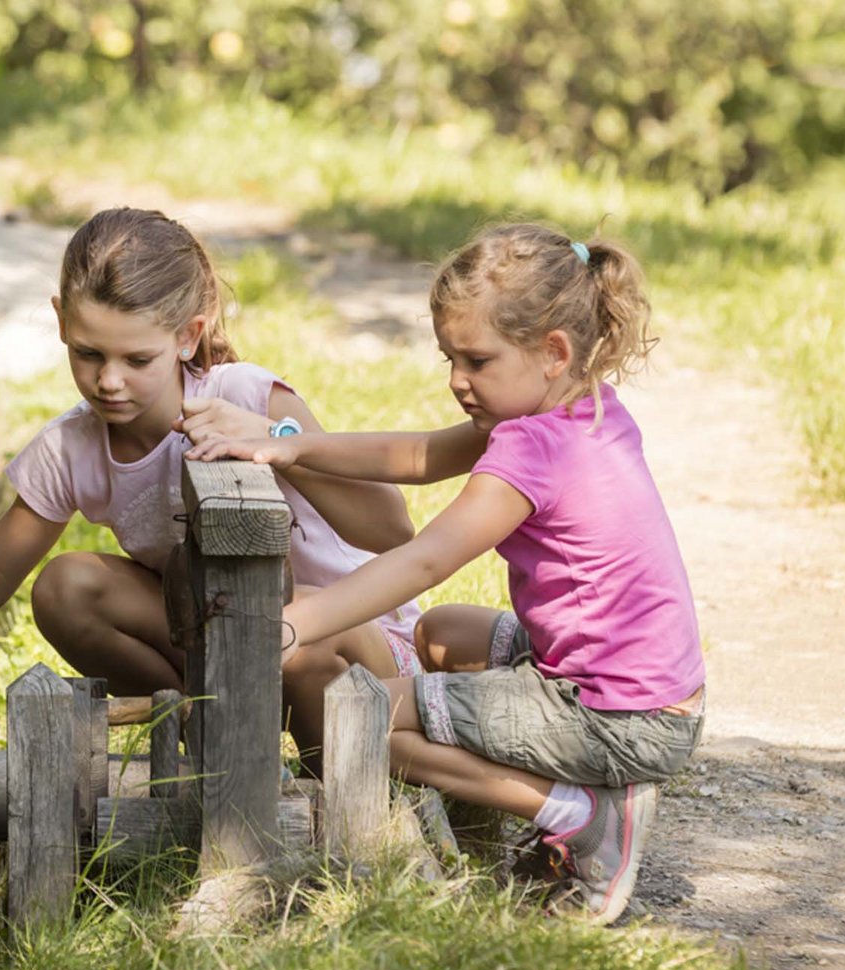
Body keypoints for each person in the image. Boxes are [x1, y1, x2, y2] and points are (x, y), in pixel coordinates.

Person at [186, 223, 704, 924]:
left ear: (553, 351)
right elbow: (420, 455)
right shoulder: (581, 405)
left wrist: (290, 624)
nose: (457, 380)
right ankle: (502, 808)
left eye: (476, 360)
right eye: (449, 358)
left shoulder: (530, 452)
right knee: (439, 634)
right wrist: (288, 443)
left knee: (362, 720)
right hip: (646, 691)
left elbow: (424, 557)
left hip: (613, 716)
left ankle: (582, 815)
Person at [0, 207, 421, 772]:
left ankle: (335, 777)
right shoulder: (72, 448)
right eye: (88, 354)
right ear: (61, 322)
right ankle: (213, 738)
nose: (108, 381)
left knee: (282, 628)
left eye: (137, 359)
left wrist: (275, 439)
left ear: (188, 337)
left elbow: (391, 530)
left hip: (358, 646)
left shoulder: (248, 396)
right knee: (66, 587)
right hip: (241, 644)